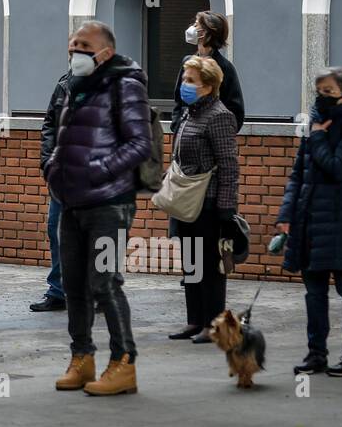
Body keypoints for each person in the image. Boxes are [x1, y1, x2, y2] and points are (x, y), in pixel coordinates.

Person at [44, 21, 151, 395]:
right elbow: (50, 129)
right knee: (73, 284)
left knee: (104, 283)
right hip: (69, 201)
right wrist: (52, 167)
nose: (75, 51)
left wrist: (97, 171)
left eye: (83, 45)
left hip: (109, 204)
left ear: (104, 52)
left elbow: (141, 144)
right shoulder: (71, 87)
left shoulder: (125, 83)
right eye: (72, 44)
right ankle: (82, 358)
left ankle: (124, 364)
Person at [275, 67, 342, 377]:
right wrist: (286, 215)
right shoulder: (315, 123)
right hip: (310, 220)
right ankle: (316, 353)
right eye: (318, 90)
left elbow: (337, 166)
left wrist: (318, 137)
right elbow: (298, 174)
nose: (321, 97)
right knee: (314, 293)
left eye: (328, 91)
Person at [167, 56, 240, 343]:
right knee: (191, 264)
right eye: (184, 79)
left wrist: (226, 206)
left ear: (208, 86)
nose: (184, 85)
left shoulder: (219, 115)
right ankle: (194, 320)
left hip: (209, 203)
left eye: (190, 81)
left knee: (211, 266)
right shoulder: (189, 113)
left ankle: (212, 325)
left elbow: (229, 164)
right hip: (186, 199)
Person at [31, 45, 70, 312]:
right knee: (56, 230)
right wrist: (47, 161)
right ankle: (58, 291)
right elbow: (49, 124)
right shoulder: (64, 84)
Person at [172, 11, 244, 132]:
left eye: (196, 25)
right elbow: (178, 100)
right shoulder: (188, 62)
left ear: (206, 33)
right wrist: (178, 125)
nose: (192, 28)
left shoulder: (225, 68)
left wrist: (219, 131)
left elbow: (236, 110)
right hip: (185, 133)